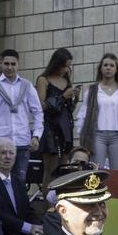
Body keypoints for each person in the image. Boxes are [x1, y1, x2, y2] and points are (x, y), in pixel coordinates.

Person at [0, 49, 43, 185]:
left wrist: (36, 135)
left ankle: (18, 206)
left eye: (13, 64)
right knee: (1, 180)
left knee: (20, 181)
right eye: (6, 64)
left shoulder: (27, 86)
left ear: (18, 65)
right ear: (1, 65)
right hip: (1, 141)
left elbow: (38, 112)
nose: (9, 67)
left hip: (22, 142)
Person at [74, 53, 118, 171]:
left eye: (112, 65)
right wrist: (82, 135)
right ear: (101, 68)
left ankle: (115, 191)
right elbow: (84, 114)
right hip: (97, 135)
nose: (108, 68)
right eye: (105, 65)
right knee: (96, 171)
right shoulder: (92, 89)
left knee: (117, 173)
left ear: (116, 69)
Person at [35, 48, 81, 187]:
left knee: (64, 170)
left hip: (65, 128)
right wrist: (62, 96)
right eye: (64, 65)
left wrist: (75, 99)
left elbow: (68, 110)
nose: (66, 69)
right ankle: (48, 207)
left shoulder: (65, 80)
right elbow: (40, 106)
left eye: (68, 66)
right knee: (50, 171)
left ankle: (61, 203)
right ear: (57, 64)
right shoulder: (44, 80)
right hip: (50, 129)